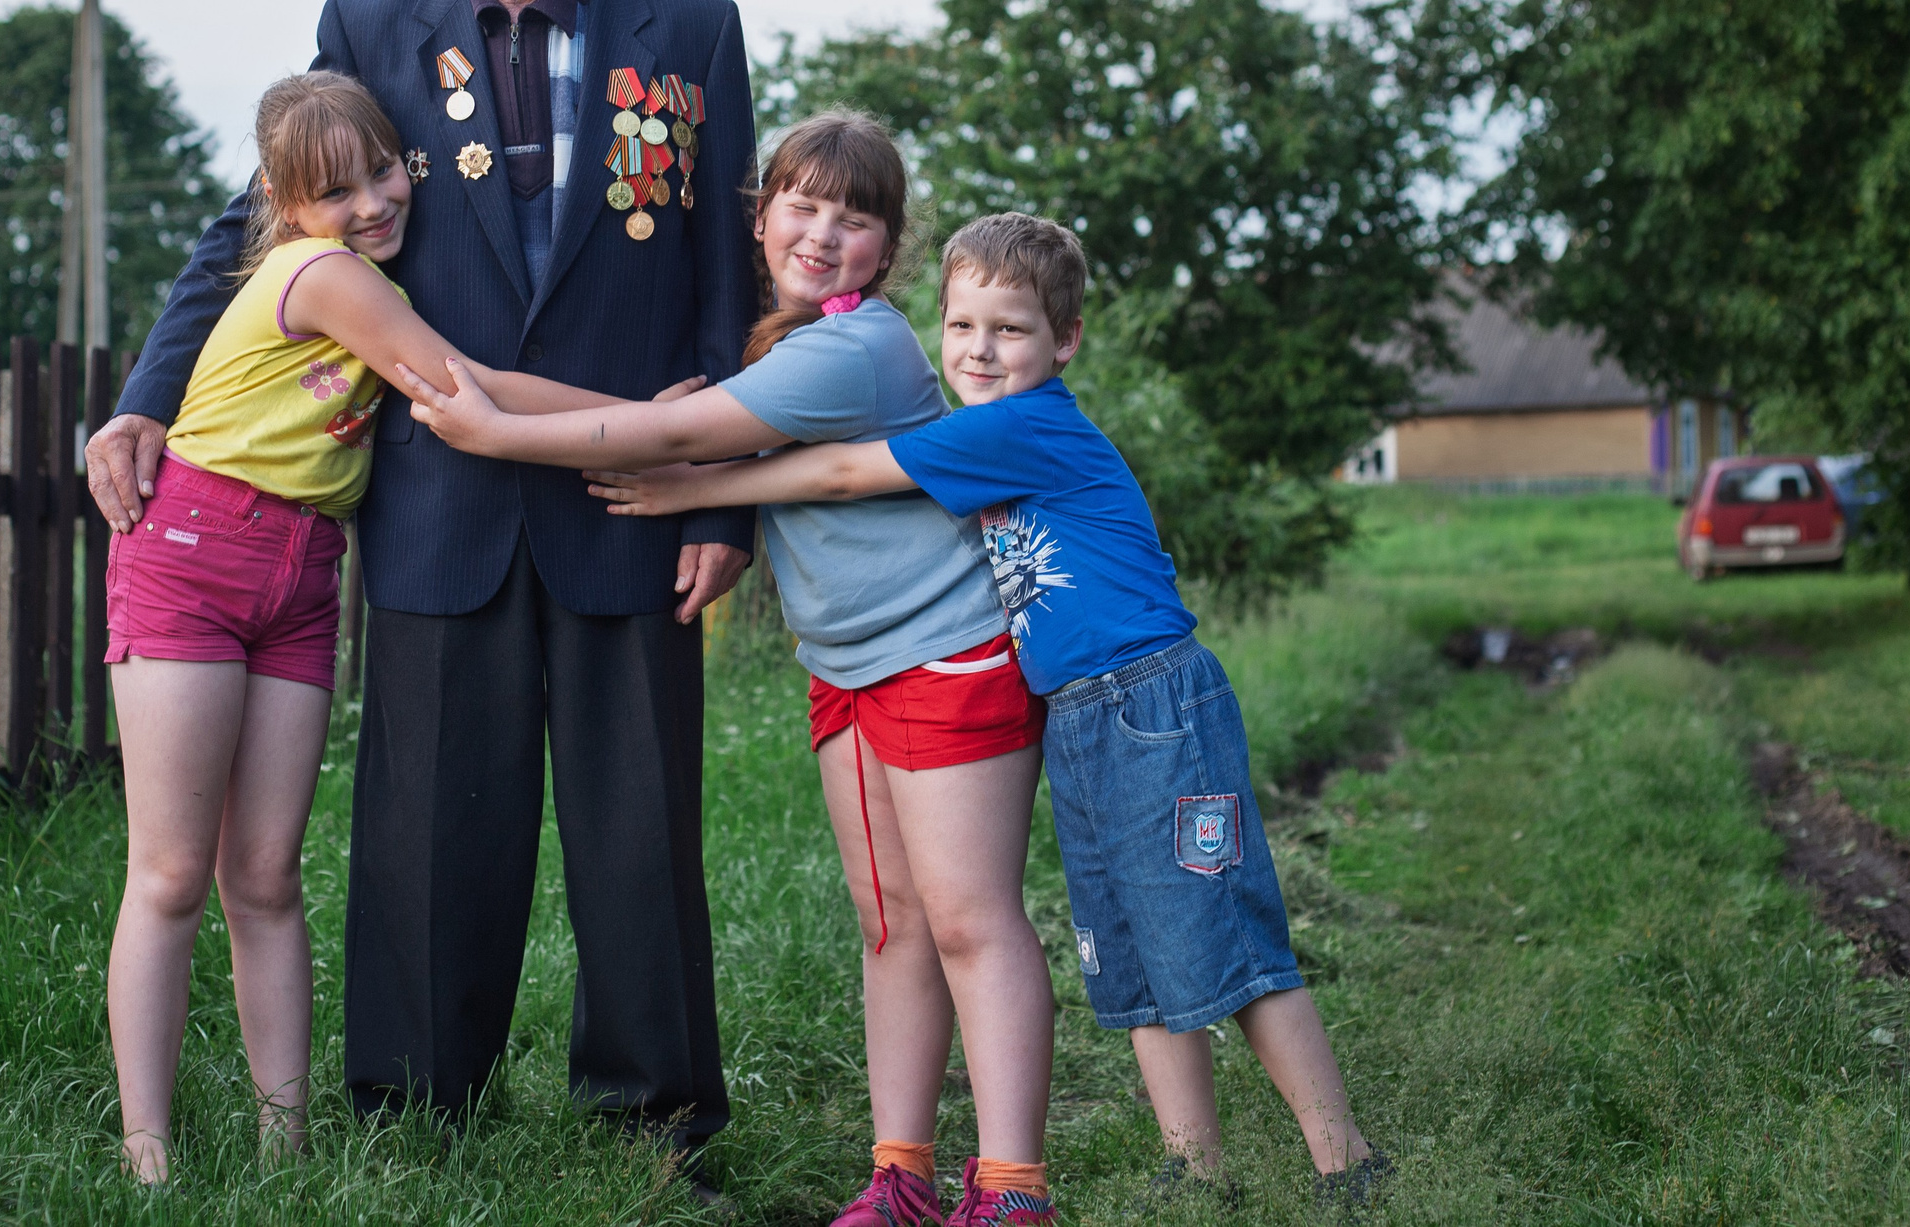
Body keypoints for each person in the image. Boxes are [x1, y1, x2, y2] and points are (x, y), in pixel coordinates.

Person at [84, 0, 758, 1185]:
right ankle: (414, 1114)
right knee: (429, 824)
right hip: (435, 501)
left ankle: (657, 1122)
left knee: (641, 824)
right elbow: (252, 229)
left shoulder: (691, 32)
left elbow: (719, 275)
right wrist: (143, 395)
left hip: (631, 492)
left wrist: (723, 489)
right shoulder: (367, 28)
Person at [583, 212, 1393, 1207]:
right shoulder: (979, 430)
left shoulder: (1024, 425)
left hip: (1152, 705)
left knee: (1220, 936)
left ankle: (1347, 1163)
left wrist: (691, 486)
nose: (979, 349)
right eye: (962, 326)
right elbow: (843, 469)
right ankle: (1195, 1173)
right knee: (1130, 955)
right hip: (1085, 717)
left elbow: (841, 469)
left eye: (1009, 329)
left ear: (1065, 340)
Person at [397, 112, 1064, 1227]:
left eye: (855, 219)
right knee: (890, 922)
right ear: (761, 216)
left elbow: (662, 443)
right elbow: (657, 425)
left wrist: (494, 431)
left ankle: (1013, 1192)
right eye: (801, 206)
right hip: (851, 665)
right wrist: (487, 386)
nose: (821, 233)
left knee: (968, 920)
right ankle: (899, 1176)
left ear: (888, 248)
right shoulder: (789, 346)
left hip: (948, 652)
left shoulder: (863, 348)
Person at [104, 72, 685, 1181]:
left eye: (382, 170)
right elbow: (468, 387)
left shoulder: (361, 265)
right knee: (174, 872)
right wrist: (654, 425)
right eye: (335, 191)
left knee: (267, 873)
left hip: (303, 568)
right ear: (283, 201)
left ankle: (287, 1144)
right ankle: (148, 1150)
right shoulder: (324, 275)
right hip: (192, 553)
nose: (372, 203)